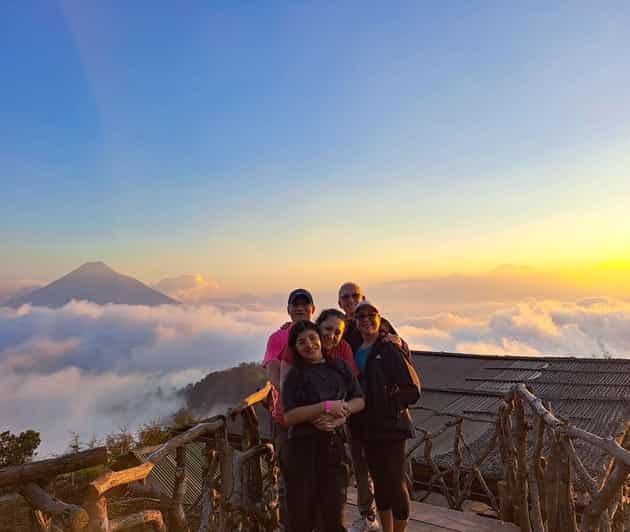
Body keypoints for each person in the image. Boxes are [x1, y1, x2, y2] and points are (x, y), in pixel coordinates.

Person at [282, 320, 365, 532]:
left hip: (333, 448)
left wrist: (342, 414)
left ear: (320, 338)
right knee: (301, 514)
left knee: (334, 511)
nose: (309, 345)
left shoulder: (340, 367)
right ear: (296, 349)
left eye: (312, 338)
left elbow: (359, 400)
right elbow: (290, 416)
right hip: (302, 450)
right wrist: (325, 406)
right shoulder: (295, 375)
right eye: (301, 342)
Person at [338, 282, 407, 532]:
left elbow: (404, 356)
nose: (350, 300)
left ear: (363, 297)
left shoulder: (381, 325)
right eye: (345, 297)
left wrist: (397, 341)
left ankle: (382, 520)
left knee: (391, 478)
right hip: (358, 415)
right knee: (362, 465)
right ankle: (368, 515)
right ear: (339, 303)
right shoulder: (342, 329)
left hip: (385, 420)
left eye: (354, 296)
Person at [350, 301, 421, 532]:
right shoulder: (356, 348)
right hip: (367, 427)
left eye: (372, 315)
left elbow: (413, 389)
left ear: (380, 319)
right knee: (379, 482)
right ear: (355, 321)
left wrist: (389, 405)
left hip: (391, 428)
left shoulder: (389, 348)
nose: (366, 319)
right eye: (361, 316)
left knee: (395, 482)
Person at [262, 288, 315, 530]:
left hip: (316, 419)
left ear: (313, 309)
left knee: (316, 475)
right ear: (288, 309)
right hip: (287, 419)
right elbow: (272, 370)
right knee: (289, 478)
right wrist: (292, 395)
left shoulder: (319, 335)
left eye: (305, 304)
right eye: (296, 305)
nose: (300, 308)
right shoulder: (277, 338)